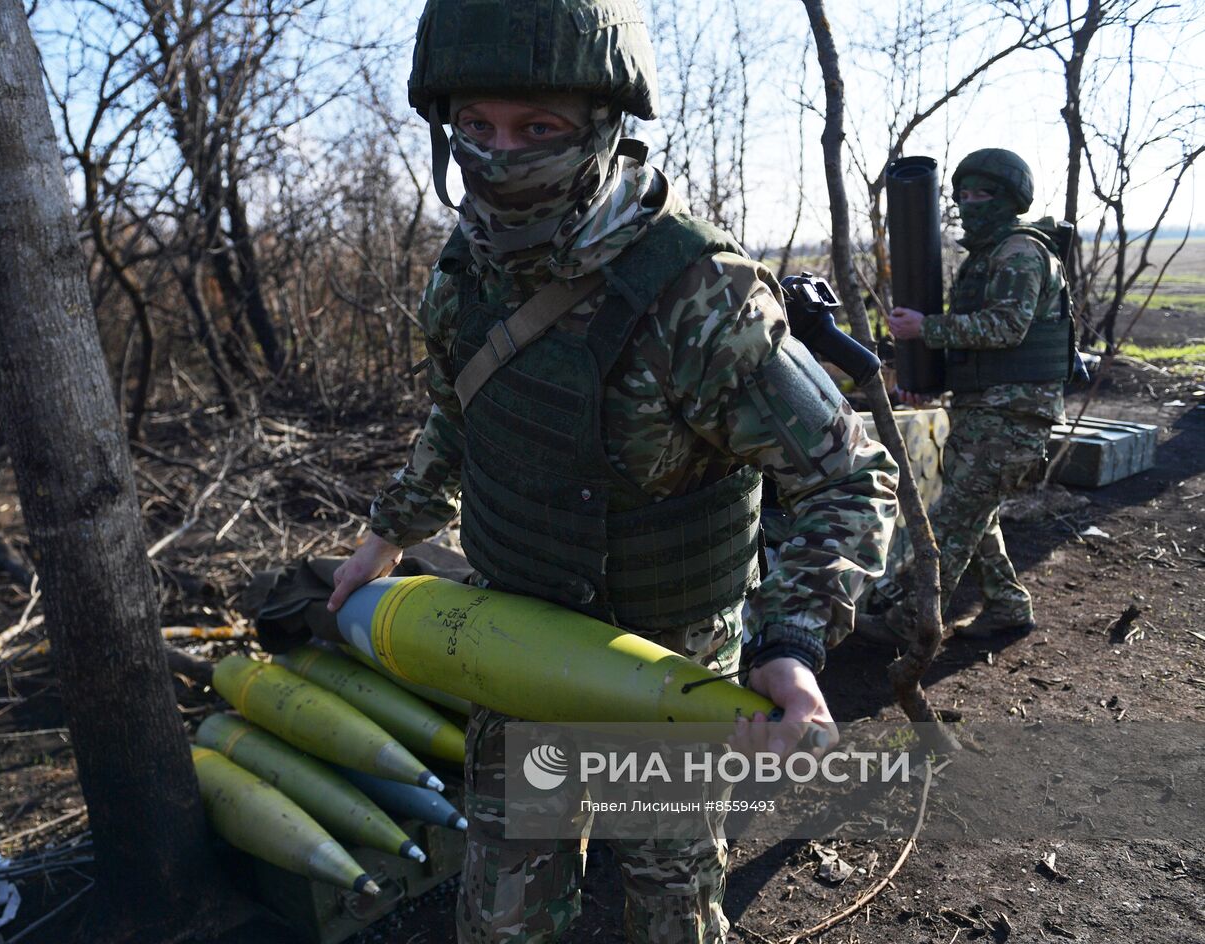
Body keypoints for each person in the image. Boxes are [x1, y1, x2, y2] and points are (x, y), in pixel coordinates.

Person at [327, 1, 899, 940]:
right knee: (506, 917)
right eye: (478, 127)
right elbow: (458, 416)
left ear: (601, 127)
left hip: (669, 663)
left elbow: (845, 476)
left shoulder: (697, 293)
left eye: (538, 127)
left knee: (670, 911)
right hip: (516, 642)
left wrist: (790, 640)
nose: (502, 153)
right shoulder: (465, 276)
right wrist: (384, 536)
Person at [882, 147, 1071, 641]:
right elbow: (986, 352)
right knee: (975, 517)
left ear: (1009, 199)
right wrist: (930, 379)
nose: (969, 204)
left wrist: (928, 328)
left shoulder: (1020, 252)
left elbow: (1008, 328)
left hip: (1012, 421)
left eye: (981, 194)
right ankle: (1008, 603)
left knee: (948, 526)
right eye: (962, 195)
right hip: (989, 414)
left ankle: (911, 625)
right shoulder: (990, 256)